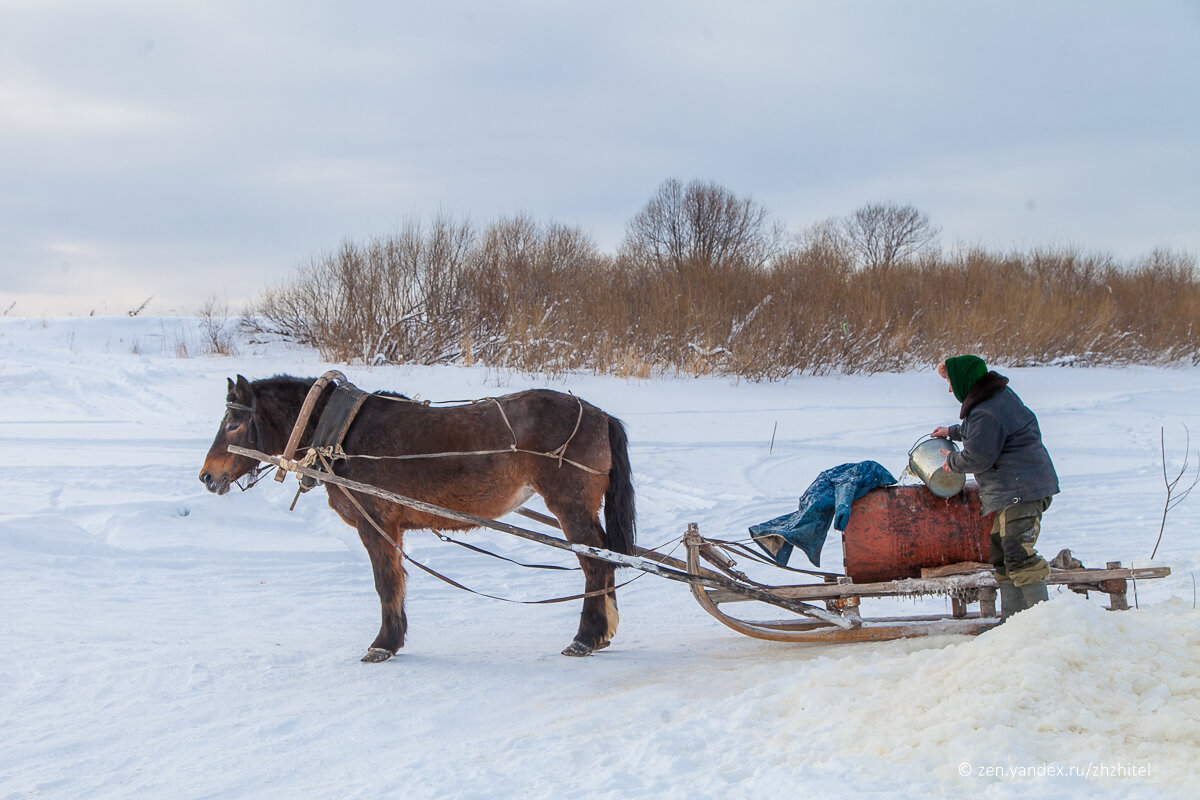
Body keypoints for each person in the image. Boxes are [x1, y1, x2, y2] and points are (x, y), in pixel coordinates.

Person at [930, 355, 1059, 621]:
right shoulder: (993, 399)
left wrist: (951, 462)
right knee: (1001, 554)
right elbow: (981, 430)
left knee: (1018, 553)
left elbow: (978, 456)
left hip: (1020, 490)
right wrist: (953, 432)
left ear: (965, 380)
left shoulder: (986, 409)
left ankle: (1044, 623)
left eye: (951, 382)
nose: (950, 390)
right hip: (1013, 489)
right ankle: (1012, 622)